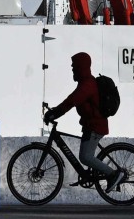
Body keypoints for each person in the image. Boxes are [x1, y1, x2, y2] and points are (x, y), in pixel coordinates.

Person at [43, 52, 125, 191]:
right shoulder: (85, 82)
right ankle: (103, 174)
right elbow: (72, 99)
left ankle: (113, 174)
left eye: (74, 67)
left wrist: (55, 113)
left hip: (95, 126)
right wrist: (55, 112)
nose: (72, 69)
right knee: (86, 156)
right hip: (91, 125)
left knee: (86, 157)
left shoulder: (87, 84)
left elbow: (71, 101)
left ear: (81, 67)